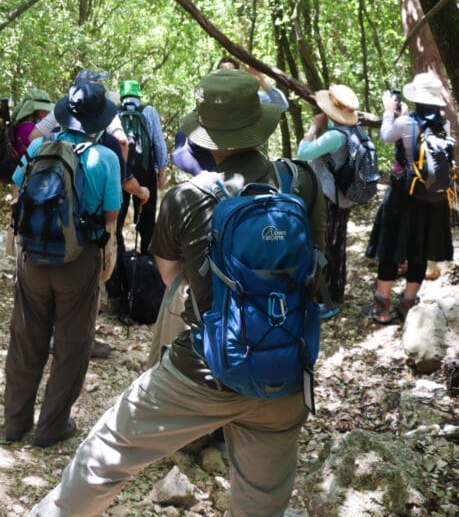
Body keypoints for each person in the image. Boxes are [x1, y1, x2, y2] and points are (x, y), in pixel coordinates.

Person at [27, 70, 326, 517]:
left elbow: (171, 279)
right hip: (285, 374)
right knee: (262, 500)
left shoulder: (187, 198)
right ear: (258, 125)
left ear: (207, 135)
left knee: (106, 452)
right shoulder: (301, 183)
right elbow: (315, 267)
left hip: (203, 371)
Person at [4, 80, 122, 447]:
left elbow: (17, 188)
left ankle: (15, 423)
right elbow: (111, 217)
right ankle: (51, 427)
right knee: (72, 344)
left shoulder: (38, 147)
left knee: (26, 338)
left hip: (32, 256)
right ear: (98, 120)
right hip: (78, 259)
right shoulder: (105, 158)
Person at [365, 72, 455, 324]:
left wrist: (388, 113)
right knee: (419, 250)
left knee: (391, 247)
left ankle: (382, 308)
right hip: (433, 200)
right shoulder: (444, 126)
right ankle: (407, 304)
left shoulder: (406, 123)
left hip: (403, 195)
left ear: (416, 99)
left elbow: (386, 136)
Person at [296, 83, 361, 314]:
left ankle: (329, 298)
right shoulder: (354, 131)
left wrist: (314, 127)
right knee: (337, 244)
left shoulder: (335, 135)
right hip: (342, 196)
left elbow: (302, 154)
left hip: (330, 197)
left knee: (328, 246)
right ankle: (333, 293)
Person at [30, 68, 129, 162]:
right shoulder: (105, 111)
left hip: (61, 164)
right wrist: (121, 169)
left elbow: (34, 137)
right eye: (100, 83)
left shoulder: (63, 108)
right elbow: (122, 141)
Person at [116, 79, 168, 255]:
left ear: (122, 95)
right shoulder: (149, 111)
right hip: (145, 172)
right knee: (147, 218)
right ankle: (147, 256)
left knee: (118, 217)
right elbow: (159, 144)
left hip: (120, 173)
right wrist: (161, 172)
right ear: (138, 95)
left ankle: (120, 258)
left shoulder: (114, 112)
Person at [9, 89, 53, 157]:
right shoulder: (28, 128)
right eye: (45, 109)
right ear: (36, 110)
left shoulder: (23, 125)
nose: (47, 112)